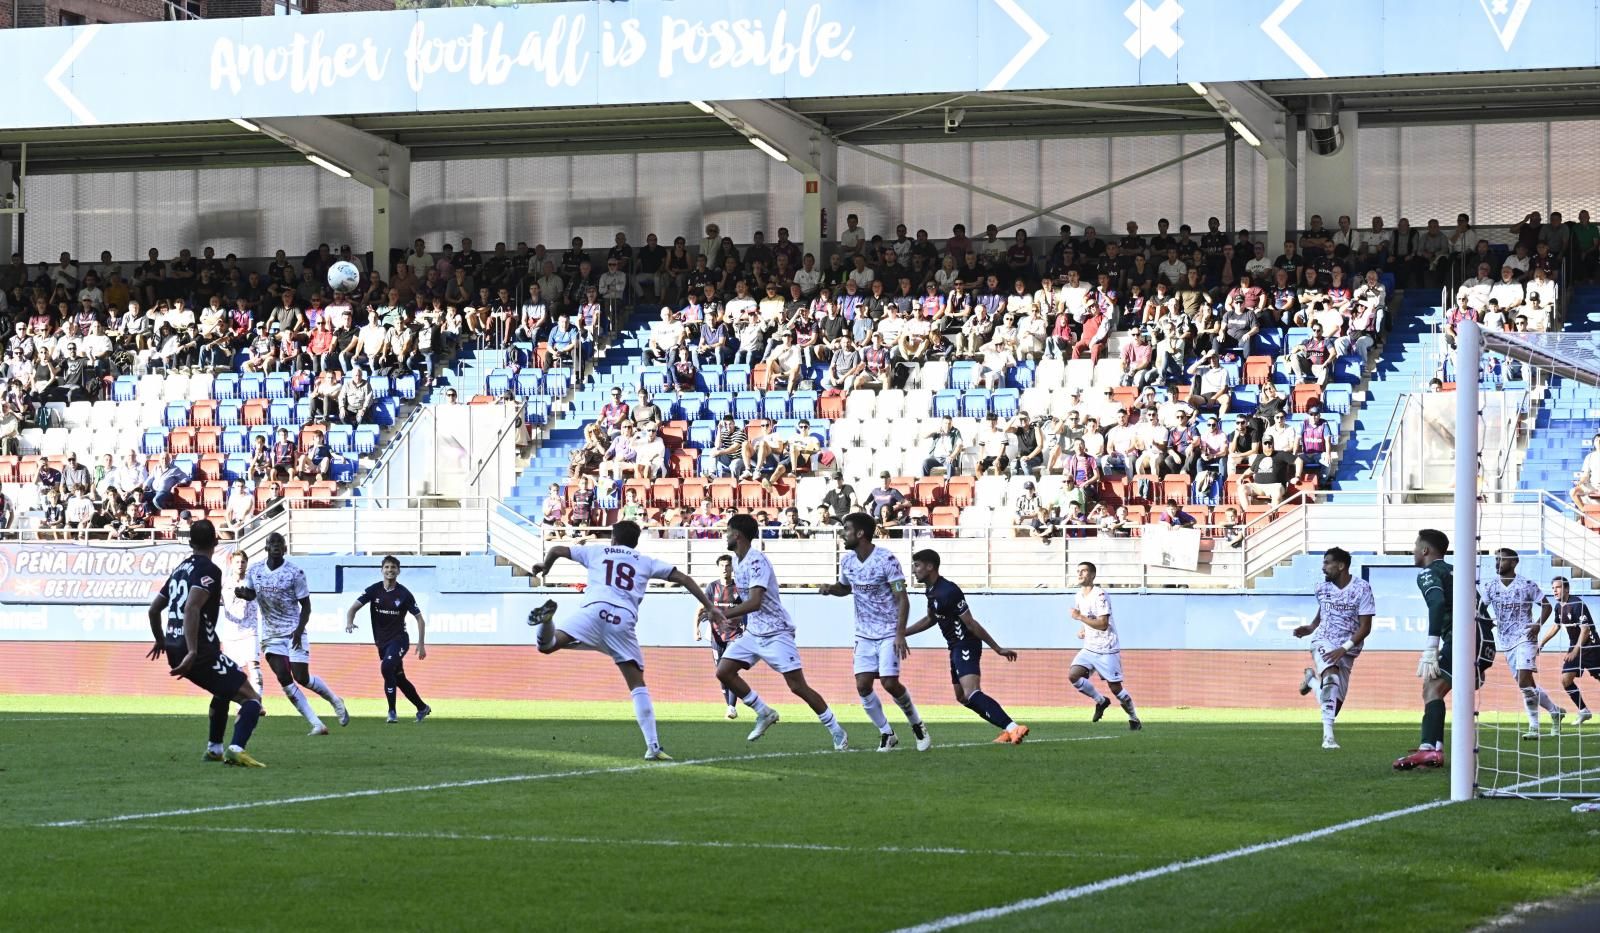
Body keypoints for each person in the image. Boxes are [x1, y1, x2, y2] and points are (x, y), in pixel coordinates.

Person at [525, 520, 724, 761]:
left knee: (547, 646)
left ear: (613, 539)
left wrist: (545, 567)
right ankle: (653, 746)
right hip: (622, 620)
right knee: (637, 684)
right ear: (635, 541)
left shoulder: (596, 551)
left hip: (592, 611)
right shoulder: (645, 561)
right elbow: (683, 578)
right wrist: (709, 606)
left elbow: (557, 549)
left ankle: (547, 621)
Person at [715, 513, 849, 750]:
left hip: (776, 632)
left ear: (737, 535)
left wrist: (723, 614)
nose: (724, 536)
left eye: (727, 531)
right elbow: (747, 600)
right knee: (724, 671)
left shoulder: (757, 561)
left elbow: (755, 601)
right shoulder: (737, 561)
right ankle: (763, 712)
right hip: (755, 632)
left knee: (798, 687)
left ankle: (837, 731)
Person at [145, 519, 265, 767]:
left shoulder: (180, 569)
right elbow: (192, 607)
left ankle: (214, 749)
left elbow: (154, 610)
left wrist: (161, 639)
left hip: (174, 648)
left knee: (223, 690)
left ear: (190, 543)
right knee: (252, 700)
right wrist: (192, 650)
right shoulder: (210, 570)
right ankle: (236, 748)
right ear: (216, 542)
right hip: (199, 651)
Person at [815, 512, 929, 752]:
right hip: (863, 634)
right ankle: (887, 733)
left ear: (860, 534)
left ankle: (917, 725)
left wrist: (900, 633)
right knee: (863, 685)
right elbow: (845, 588)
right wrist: (830, 589)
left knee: (889, 683)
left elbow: (902, 599)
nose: (843, 534)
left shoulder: (886, 560)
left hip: (888, 631)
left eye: (846, 529)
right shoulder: (847, 561)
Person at [905, 548, 1027, 744]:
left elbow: (970, 623)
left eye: (917, 565)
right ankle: (1007, 728)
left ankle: (1013, 728)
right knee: (962, 697)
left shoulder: (948, 591)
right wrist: (903, 632)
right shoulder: (931, 591)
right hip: (954, 647)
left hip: (966, 643)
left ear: (930, 566)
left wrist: (997, 648)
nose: (914, 570)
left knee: (972, 692)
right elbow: (930, 619)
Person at [242, 532, 348, 736]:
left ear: (285, 549)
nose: (275, 546)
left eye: (279, 543)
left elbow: (306, 606)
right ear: (265, 547)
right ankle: (316, 724)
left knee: (302, 677)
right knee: (284, 677)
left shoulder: (294, 573)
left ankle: (335, 700)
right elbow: (251, 594)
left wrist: (299, 631)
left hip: (293, 631)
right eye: (271, 543)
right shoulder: (254, 571)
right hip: (271, 635)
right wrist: (243, 594)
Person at [1292, 548, 1374, 749]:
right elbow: (1325, 608)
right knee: (1330, 677)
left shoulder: (1362, 589)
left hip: (1347, 649)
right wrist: (1312, 627)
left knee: (1331, 704)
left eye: (1327, 563)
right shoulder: (1322, 588)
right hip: (1323, 641)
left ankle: (1311, 682)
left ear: (1341, 565)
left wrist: (1344, 649)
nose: (1323, 568)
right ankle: (1328, 738)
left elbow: (1366, 627)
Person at [1482, 549, 1564, 739]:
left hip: (1526, 637)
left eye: (1501, 560)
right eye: (1496, 559)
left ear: (1513, 563)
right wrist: (1486, 621)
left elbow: (1547, 605)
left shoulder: (1526, 585)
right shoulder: (1490, 586)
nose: (1497, 563)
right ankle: (1554, 711)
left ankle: (1534, 727)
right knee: (1526, 684)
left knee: (1523, 680)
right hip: (1506, 640)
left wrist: (1537, 624)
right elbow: (1480, 609)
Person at [344, 555, 431, 725]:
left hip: (399, 640)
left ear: (398, 571)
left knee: (386, 667)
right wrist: (349, 622)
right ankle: (422, 708)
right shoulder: (373, 590)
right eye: (387, 567)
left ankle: (392, 712)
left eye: (393, 567)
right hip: (382, 643)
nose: (390, 570)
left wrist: (421, 645)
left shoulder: (404, 594)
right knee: (398, 678)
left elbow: (420, 619)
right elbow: (353, 608)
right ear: (381, 570)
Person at [1068, 561, 1141, 730]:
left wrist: (1080, 618)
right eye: (1078, 571)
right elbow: (1088, 618)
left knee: (1116, 689)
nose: (1079, 574)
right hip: (1089, 647)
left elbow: (1102, 624)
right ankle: (1101, 701)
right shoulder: (1078, 595)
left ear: (1092, 575)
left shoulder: (1100, 595)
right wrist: (1083, 629)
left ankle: (1134, 718)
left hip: (1107, 648)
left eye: (1084, 571)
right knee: (1074, 675)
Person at [1540, 576, 1598, 726]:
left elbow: (1585, 630)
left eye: (1558, 587)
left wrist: (1575, 651)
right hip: (1576, 646)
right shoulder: (1559, 606)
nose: (1555, 591)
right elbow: (1556, 626)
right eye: (1553, 588)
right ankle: (1584, 711)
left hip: (1592, 647)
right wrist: (1541, 644)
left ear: (1566, 589)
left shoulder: (1577, 604)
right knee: (1566, 679)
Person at [694, 554, 744, 719]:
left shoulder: (740, 588)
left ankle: (731, 707)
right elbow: (700, 609)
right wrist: (696, 629)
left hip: (735, 635)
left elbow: (750, 609)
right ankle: (728, 705)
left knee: (730, 669)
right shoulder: (712, 587)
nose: (725, 569)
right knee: (720, 672)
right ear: (718, 568)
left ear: (732, 568)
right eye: (722, 566)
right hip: (716, 635)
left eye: (727, 565)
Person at [219, 550, 266, 708]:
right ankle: (242, 705)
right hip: (230, 633)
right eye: (237, 562)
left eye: (243, 562)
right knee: (235, 672)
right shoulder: (224, 583)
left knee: (254, 666)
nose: (240, 565)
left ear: (247, 563)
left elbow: (260, 597)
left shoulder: (253, 582)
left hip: (249, 631)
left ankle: (257, 703)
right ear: (231, 564)